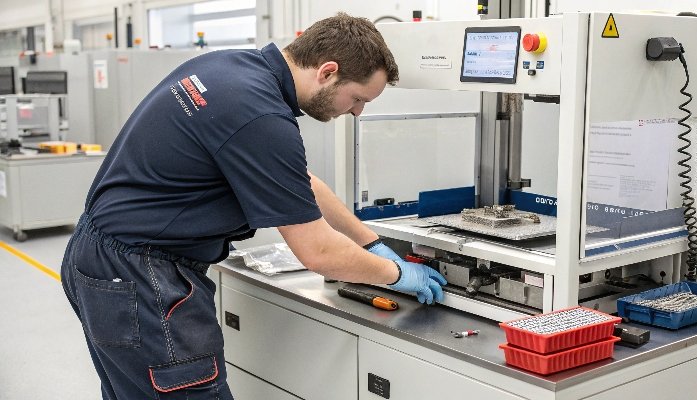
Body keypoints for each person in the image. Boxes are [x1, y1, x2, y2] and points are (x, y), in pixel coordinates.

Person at [61, 13, 446, 399]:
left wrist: (368, 241)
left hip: (102, 259)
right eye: (359, 98)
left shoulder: (229, 67)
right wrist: (395, 274)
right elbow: (318, 251)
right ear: (328, 72)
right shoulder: (262, 117)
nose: (358, 111)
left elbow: (299, 181)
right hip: (143, 277)